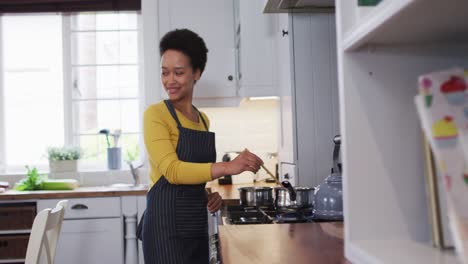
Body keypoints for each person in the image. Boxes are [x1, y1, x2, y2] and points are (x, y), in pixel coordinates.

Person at [139, 28, 264, 264]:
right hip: (164, 230)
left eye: (178, 72)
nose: (169, 81)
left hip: (195, 225)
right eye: (165, 73)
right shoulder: (155, 115)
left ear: (197, 72)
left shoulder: (203, 119)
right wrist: (228, 167)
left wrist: (206, 194)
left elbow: (194, 174)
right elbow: (173, 171)